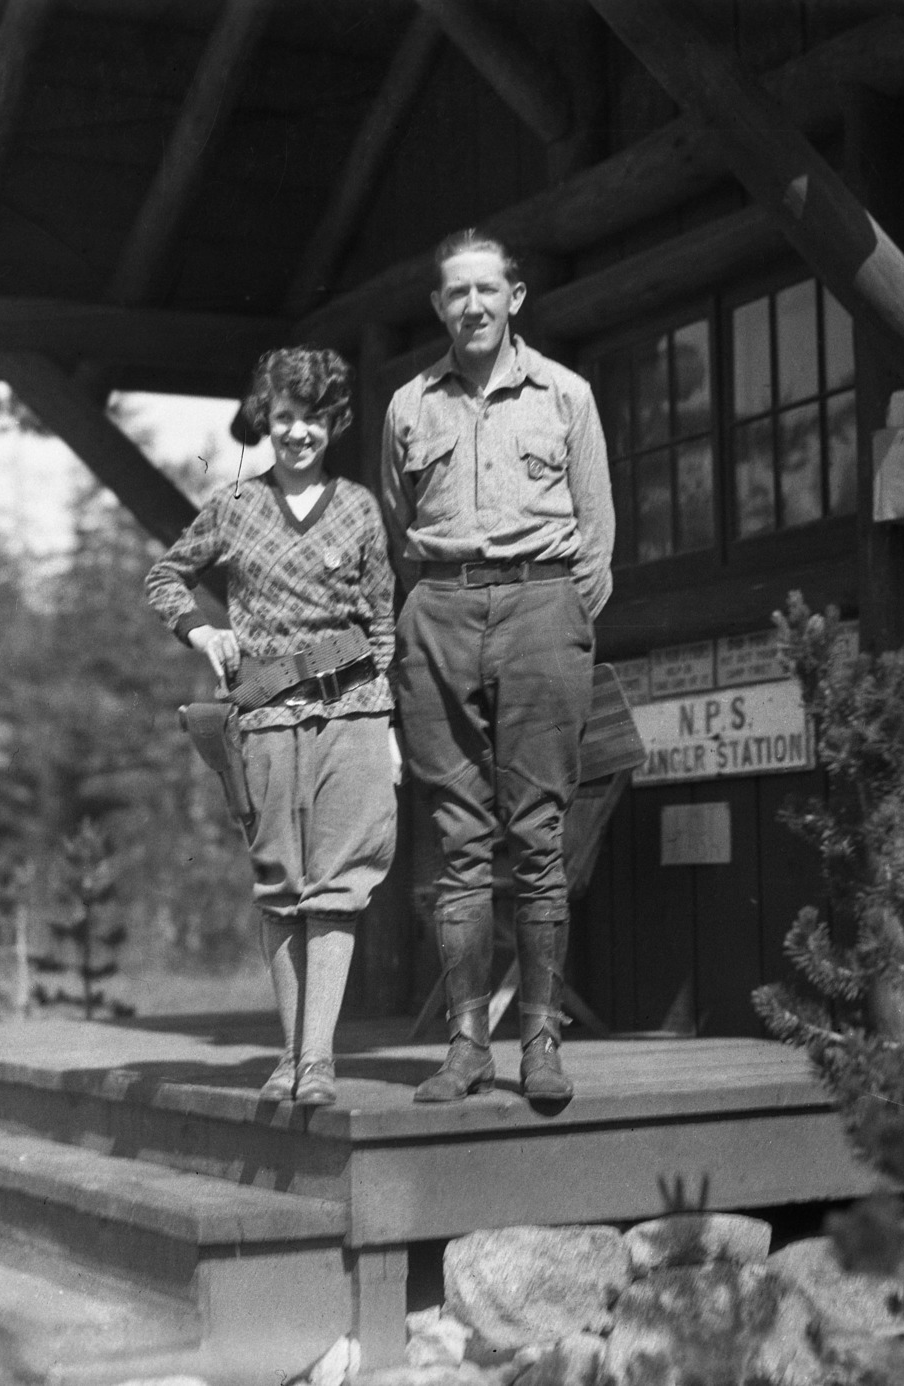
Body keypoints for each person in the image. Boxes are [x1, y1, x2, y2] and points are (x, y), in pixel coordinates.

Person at [382, 229, 614, 1103]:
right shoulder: (409, 406)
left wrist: (551, 619)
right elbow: (402, 531)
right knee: (456, 843)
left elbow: (597, 537)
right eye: (455, 293)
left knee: (539, 837)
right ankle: (466, 1045)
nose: (472, 306)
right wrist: (437, 610)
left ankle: (541, 1042)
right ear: (438, 307)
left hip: (542, 606)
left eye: (487, 290)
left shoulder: (566, 396)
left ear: (515, 296)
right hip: (438, 612)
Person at [145, 347, 399, 1108]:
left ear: (332, 423)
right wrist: (202, 633)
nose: (297, 434)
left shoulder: (357, 508)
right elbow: (165, 577)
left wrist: (387, 727)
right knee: (281, 884)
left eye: (312, 419)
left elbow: (382, 621)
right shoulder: (232, 507)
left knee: (339, 883)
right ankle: (287, 1057)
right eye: (284, 417)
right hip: (263, 716)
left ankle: (316, 1061)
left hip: (353, 711)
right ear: (267, 418)